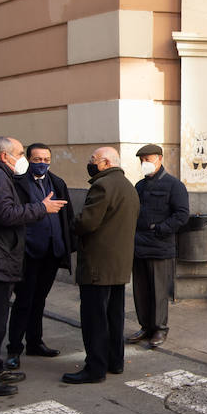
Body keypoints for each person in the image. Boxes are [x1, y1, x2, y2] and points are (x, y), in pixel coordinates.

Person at [0, 137, 68, 396]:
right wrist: (41, 208)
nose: (22, 158)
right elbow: (5, 214)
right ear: (4, 156)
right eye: (20, 153)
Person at [63, 147, 139, 384]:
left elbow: (87, 222)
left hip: (98, 264)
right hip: (119, 264)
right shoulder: (128, 186)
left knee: (95, 318)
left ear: (105, 163)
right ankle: (115, 361)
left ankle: (95, 368)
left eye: (93, 160)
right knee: (114, 316)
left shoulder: (102, 185)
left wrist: (72, 221)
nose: (90, 163)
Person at [5, 143, 74, 369]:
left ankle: (35, 342)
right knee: (23, 301)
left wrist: (67, 245)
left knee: (40, 299)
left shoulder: (57, 182)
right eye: (37, 159)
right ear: (28, 159)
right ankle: (14, 349)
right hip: (28, 254)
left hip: (52, 253)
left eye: (46, 159)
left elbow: (67, 216)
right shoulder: (18, 184)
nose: (42, 163)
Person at [130, 143, 190, 349]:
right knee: (140, 290)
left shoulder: (174, 185)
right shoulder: (140, 186)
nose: (144, 163)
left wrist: (160, 229)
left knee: (158, 291)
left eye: (148, 159)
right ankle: (145, 326)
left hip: (159, 246)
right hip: (138, 246)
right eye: (141, 160)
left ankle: (159, 329)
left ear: (160, 159)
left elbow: (182, 215)